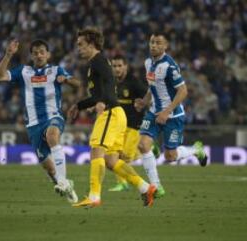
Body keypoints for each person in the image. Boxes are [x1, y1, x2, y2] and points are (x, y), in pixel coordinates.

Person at [69, 27, 156, 208]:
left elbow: (109, 83)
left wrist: (102, 101)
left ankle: (94, 196)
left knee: (96, 150)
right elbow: (97, 94)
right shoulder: (96, 63)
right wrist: (78, 106)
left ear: (92, 44)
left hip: (110, 112)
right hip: (117, 113)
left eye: (81, 44)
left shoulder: (98, 61)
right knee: (111, 160)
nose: (78, 48)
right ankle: (145, 187)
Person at [0, 39, 78, 204]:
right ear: (31, 55)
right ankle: (61, 183)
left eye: (42, 52)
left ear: (48, 54)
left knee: (53, 136)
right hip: (33, 125)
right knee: (49, 168)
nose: (39, 55)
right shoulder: (24, 71)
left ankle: (63, 181)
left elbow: (77, 83)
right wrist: (8, 55)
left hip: (53, 116)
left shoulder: (55, 70)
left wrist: (66, 80)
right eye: (35, 52)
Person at [135, 32, 208, 198]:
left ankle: (196, 150)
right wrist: (145, 101)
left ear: (165, 46)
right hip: (154, 112)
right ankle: (156, 187)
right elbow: (152, 86)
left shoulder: (170, 65)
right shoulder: (148, 63)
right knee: (142, 145)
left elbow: (183, 91)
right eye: (152, 42)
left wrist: (167, 111)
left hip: (172, 116)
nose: (153, 45)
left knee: (170, 156)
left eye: (158, 43)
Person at [108, 55, 160, 192]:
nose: (117, 69)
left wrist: (144, 105)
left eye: (120, 66)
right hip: (118, 125)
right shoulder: (112, 82)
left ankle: (150, 149)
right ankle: (122, 183)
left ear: (125, 66)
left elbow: (148, 97)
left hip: (134, 125)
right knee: (115, 154)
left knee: (124, 157)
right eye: (114, 66)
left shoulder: (134, 82)